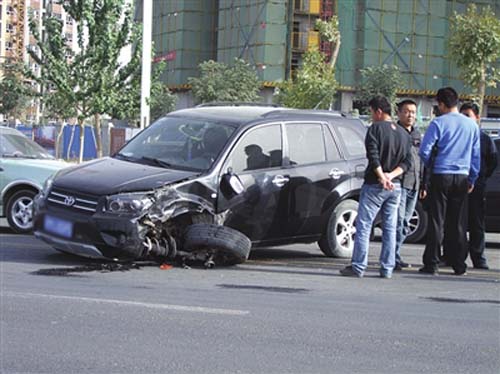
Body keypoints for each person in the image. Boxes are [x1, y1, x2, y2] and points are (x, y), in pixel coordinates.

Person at [340, 96, 412, 278]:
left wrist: (381, 177)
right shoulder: (404, 133)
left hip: (375, 185)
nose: (371, 116)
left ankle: (358, 266)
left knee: (364, 225)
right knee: (390, 228)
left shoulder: (375, 129)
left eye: (372, 112)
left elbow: (373, 157)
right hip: (395, 186)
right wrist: (391, 177)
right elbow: (407, 162)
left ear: (379, 111)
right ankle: (387, 268)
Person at [418, 87, 480, 276]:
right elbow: (475, 156)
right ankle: (459, 264)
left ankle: (432, 263)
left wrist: (432, 165)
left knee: (437, 221)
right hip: (462, 176)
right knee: (458, 223)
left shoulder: (438, 123)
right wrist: (472, 178)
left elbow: (424, 151)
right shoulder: (471, 125)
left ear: (442, 104)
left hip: (441, 175)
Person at [459, 102, 498, 269]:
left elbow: (492, 162)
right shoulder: (457, 137)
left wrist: (480, 178)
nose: (464, 120)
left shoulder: (485, 139)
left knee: (476, 223)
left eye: (467, 116)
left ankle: (478, 257)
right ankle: (455, 255)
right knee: (456, 222)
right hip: (458, 184)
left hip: (477, 186)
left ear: (477, 118)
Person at [394, 99, 422, 270]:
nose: (410, 115)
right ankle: (393, 256)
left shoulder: (417, 134)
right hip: (400, 183)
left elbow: (422, 160)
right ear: (399, 113)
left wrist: (424, 183)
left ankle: (395, 254)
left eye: (413, 112)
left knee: (405, 223)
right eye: (406, 111)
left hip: (415, 184)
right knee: (399, 222)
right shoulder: (395, 132)